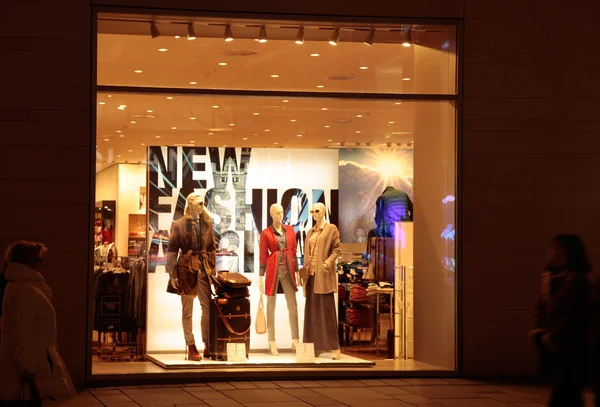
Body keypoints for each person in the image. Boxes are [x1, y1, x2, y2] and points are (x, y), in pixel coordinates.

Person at [0, 240, 75, 403]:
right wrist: (28, 368)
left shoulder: (22, 286)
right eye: (39, 260)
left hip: (34, 360)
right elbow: (22, 331)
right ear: (28, 263)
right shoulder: (25, 290)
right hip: (31, 365)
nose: (42, 264)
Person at [528, 234, 592, 407]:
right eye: (551, 248)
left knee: (565, 394)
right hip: (556, 350)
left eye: (558, 249)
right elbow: (542, 307)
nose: (553, 253)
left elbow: (576, 315)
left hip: (570, 350)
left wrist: (554, 336)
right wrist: (539, 330)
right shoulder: (552, 279)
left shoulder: (579, 282)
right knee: (568, 396)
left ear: (571, 253)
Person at [166, 192, 217, 361]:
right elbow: (172, 251)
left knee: (208, 307)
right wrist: (172, 273)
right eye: (199, 203)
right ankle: (191, 346)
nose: (202, 206)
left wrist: (213, 270)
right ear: (190, 205)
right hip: (186, 269)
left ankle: (208, 343)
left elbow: (211, 248)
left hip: (204, 268)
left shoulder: (207, 222)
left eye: (203, 203)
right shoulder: (179, 224)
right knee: (187, 310)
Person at [302, 202, 342, 360]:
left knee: (327, 311)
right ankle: (314, 347)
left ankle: (334, 347)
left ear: (324, 211)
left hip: (323, 275)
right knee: (311, 313)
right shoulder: (310, 232)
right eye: (311, 211)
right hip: (311, 276)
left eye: (317, 211)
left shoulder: (331, 229)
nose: (314, 214)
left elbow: (336, 250)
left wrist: (327, 262)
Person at [259, 204, 300, 356]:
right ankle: (272, 341)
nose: (280, 215)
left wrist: (297, 272)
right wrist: (260, 277)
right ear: (271, 214)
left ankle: (296, 339)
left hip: (288, 268)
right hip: (273, 269)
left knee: (293, 306)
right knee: (271, 306)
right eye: (277, 213)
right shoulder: (266, 233)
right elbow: (263, 255)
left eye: (282, 212)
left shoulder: (290, 230)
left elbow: (294, 251)